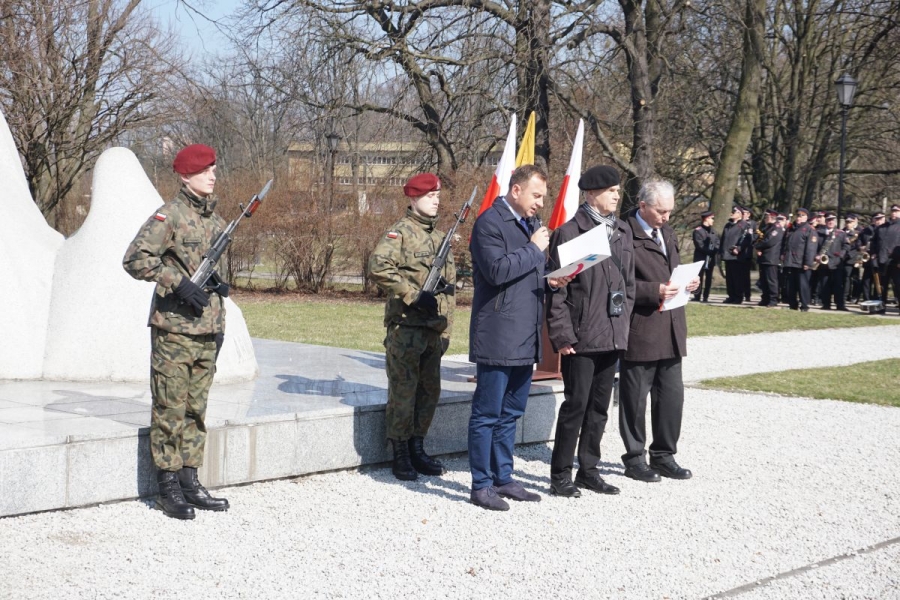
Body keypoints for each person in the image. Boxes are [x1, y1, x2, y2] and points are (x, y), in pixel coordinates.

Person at [123, 144, 230, 520]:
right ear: (186, 176)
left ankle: (190, 480)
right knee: (170, 408)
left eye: (213, 169)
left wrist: (219, 308)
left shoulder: (216, 221)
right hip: (174, 331)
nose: (212, 175)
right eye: (204, 171)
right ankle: (167, 487)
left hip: (207, 330)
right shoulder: (168, 216)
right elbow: (135, 259)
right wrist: (177, 282)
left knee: (196, 410)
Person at [467, 164, 572, 511]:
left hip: (526, 335)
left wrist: (551, 279)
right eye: (536, 195)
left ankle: (503, 477)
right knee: (487, 413)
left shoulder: (530, 225)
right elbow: (496, 272)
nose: (541, 203)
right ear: (516, 190)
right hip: (498, 334)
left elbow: (527, 273)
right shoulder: (489, 223)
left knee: (511, 412)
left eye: (543, 197)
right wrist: (534, 248)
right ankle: (481, 485)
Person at [546, 165, 634, 498]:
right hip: (581, 336)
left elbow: (629, 285)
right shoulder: (570, 232)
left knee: (599, 408)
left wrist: (624, 325)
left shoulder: (622, 231)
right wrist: (562, 335)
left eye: (617, 190)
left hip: (612, 333)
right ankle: (560, 475)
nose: (617, 195)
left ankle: (589, 470)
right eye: (611, 190)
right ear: (592, 193)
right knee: (576, 406)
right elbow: (557, 291)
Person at [368, 173, 455, 481]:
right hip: (406, 329)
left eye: (438, 195)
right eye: (430, 196)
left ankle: (418, 446)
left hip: (434, 330)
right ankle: (401, 451)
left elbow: (448, 288)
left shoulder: (440, 237)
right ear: (413, 198)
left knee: (429, 392)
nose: (436, 200)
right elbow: (378, 266)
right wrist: (413, 295)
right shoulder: (400, 233)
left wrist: (446, 329)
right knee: (404, 392)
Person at [618, 179, 699, 483]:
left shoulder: (668, 232)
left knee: (671, 397)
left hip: (672, 326)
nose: (666, 217)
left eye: (669, 212)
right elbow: (617, 283)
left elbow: (672, 270)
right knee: (635, 398)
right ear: (642, 205)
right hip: (642, 327)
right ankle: (635, 458)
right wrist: (654, 291)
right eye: (661, 211)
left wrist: (690, 282)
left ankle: (664, 455)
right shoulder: (624, 234)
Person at [781, 207, 818, 312]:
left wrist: (808, 262)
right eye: (798, 215)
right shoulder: (790, 228)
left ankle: (804, 305)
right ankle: (793, 304)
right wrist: (783, 254)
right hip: (790, 261)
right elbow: (784, 243)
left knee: (803, 285)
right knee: (790, 285)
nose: (799, 217)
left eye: (802, 216)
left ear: (806, 217)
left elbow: (811, 248)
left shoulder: (809, 230)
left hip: (801, 262)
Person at [815, 213, 849, 311]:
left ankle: (840, 305)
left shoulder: (841, 233)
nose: (830, 222)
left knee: (838, 284)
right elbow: (815, 246)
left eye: (832, 220)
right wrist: (816, 255)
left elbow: (846, 245)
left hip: (837, 262)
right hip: (824, 263)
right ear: (825, 221)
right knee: (824, 284)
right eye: (828, 220)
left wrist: (841, 255)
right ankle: (826, 304)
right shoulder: (819, 233)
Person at [720, 205, 751, 304]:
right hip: (727, 255)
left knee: (737, 278)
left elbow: (747, 239)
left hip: (737, 256)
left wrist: (739, 248)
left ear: (740, 214)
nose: (732, 213)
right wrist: (721, 251)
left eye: (734, 212)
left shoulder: (744, 225)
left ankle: (738, 297)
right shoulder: (728, 225)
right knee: (729, 278)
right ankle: (731, 296)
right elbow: (723, 239)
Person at [873, 204, 900, 309]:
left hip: (896, 261)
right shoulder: (882, 227)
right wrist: (874, 254)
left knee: (898, 285)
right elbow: (874, 242)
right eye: (893, 211)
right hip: (883, 260)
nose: (894, 213)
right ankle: (880, 307)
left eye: (896, 211)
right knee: (881, 286)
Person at [755, 208, 783, 307]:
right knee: (764, 280)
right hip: (764, 258)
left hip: (771, 258)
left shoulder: (776, 228)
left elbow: (769, 241)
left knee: (771, 280)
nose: (765, 219)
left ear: (771, 217)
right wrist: (757, 246)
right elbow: (759, 238)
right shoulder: (767, 228)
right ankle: (765, 298)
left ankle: (773, 299)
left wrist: (758, 246)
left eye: (766, 217)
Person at [692, 211, 719, 302]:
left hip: (710, 259)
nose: (713, 220)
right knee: (698, 277)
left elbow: (717, 242)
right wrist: (710, 251)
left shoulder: (713, 231)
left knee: (708, 278)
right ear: (706, 219)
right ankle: (697, 295)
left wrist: (715, 250)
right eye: (711, 218)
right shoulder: (698, 231)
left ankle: (706, 296)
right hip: (700, 258)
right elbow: (699, 245)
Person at [860, 212, 886, 302]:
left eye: (880, 219)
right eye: (877, 219)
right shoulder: (866, 231)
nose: (878, 221)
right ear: (873, 220)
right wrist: (861, 247)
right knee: (866, 280)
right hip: (868, 259)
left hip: (879, 259)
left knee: (878, 281)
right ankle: (866, 299)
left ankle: (877, 299)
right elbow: (859, 241)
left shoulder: (886, 230)